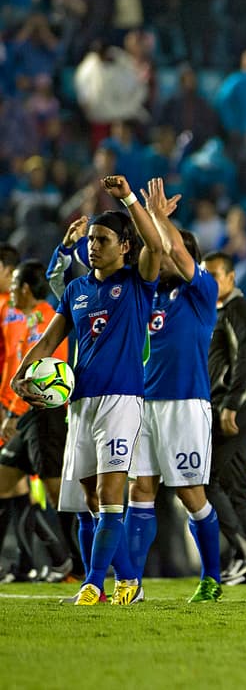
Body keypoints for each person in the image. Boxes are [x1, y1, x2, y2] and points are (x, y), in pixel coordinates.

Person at [10, 175, 165, 606]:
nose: (93, 246)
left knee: (111, 495)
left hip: (122, 400)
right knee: (88, 501)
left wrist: (129, 199)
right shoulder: (77, 290)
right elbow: (48, 340)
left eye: (103, 240)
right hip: (79, 403)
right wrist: (20, 375)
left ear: (125, 246)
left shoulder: (137, 283)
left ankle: (93, 584)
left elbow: (157, 247)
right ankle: (129, 580)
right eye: (91, 239)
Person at [111, 180, 222, 605]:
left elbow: (172, 247)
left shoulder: (202, 293)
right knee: (140, 491)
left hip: (185, 403)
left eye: (178, 254)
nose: (168, 256)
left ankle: (211, 577)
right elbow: (155, 251)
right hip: (143, 404)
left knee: (190, 495)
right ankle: (132, 585)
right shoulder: (147, 293)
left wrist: (156, 215)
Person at [0, 259, 74, 583]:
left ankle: (76, 562)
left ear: (26, 289)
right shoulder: (28, 319)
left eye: (16, 285)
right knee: (5, 479)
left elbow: (41, 379)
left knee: (56, 493)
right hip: (26, 413)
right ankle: (50, 560)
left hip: (46, 414)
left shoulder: (47, 319)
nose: (12, 291)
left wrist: (13, 412)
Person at [204, 251, 246, 586]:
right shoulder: (217, 311)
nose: (209, 282)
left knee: (205, 480)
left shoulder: (238, 309)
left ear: (231, 278)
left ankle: (245, 550)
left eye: (215, 275)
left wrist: (230, 404)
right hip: (237, 403)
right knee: (237, 486)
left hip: (237, 405)